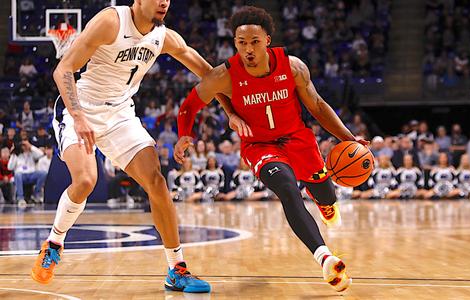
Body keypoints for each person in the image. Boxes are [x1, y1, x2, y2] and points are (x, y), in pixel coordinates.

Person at [30, 0, 229, 293]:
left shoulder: (164, 37)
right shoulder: (111, 21)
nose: (164, 2)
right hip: (81, 109)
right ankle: (54, 243)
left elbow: (212, 76)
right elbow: (63, 70)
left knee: (157, 182)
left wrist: (232, 112)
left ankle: (176, 269)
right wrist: (78, 116)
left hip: (120, 114)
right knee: (85, 180)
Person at [173, 6, 368, 292]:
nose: (248, 49)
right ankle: (325, 258)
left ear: (267, 39)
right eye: (241, 43)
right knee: (287, 188)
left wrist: (348, 138)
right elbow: (190, 105)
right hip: (259, 145)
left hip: (298, 139)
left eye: (254, 42)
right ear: (234, 43)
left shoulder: (293, 67)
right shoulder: (224, 75)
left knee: (325, 192)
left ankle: (326, 202)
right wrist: (184, 135)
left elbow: (318, 107)